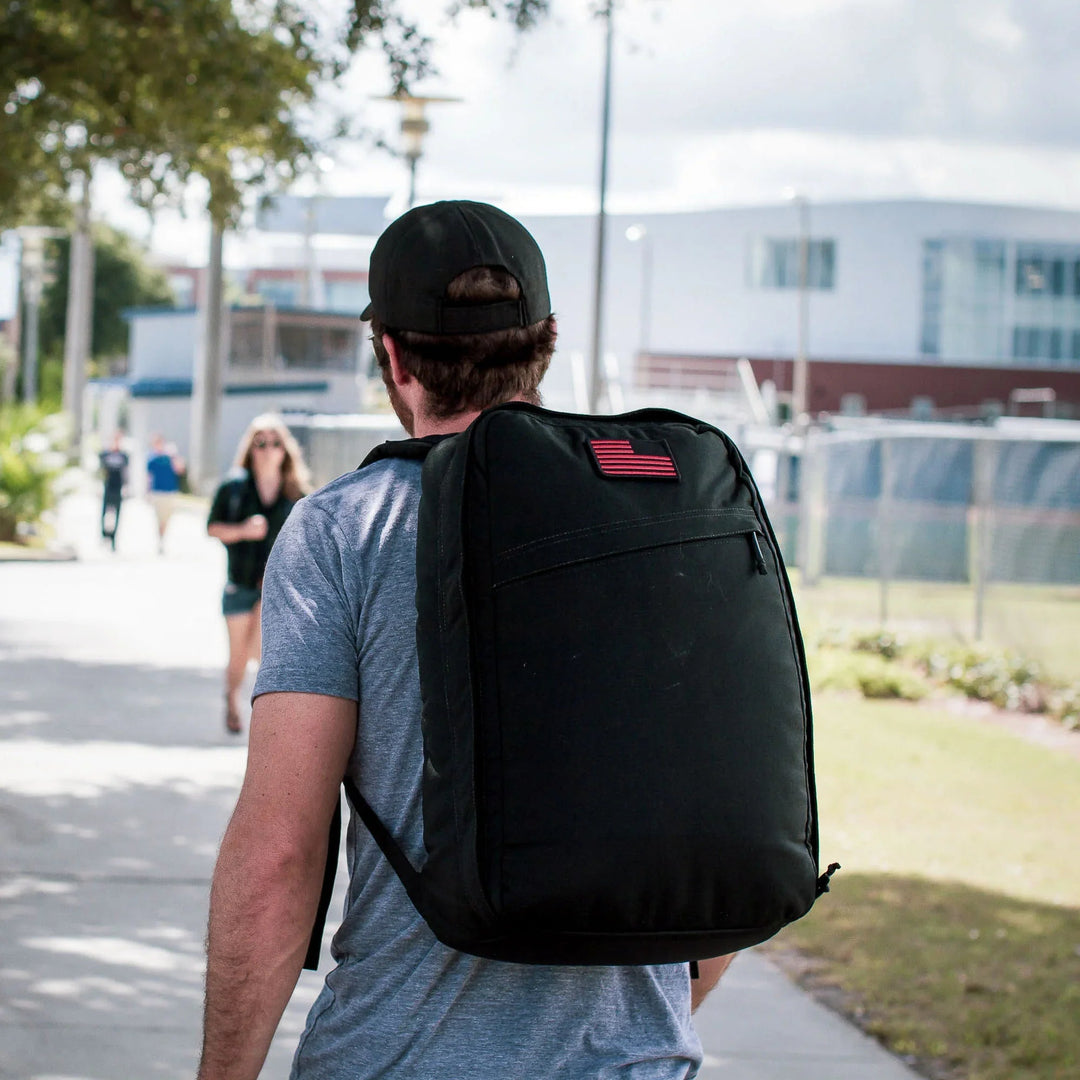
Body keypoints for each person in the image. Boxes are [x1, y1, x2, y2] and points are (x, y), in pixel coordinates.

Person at [197, 201, 733, 1080]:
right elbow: (730, 827)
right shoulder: (668, 512)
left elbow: (281, 852)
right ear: (548, 341)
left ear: (393, 358)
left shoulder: (344, 530)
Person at [206, 414, 311, 735]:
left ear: (285, 450)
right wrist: (242, 531)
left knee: (262, 653)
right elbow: (212, 528)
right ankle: (231, 697)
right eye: (260, 442)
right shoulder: (233, 487)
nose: (267, 449)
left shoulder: (298, 494)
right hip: (239, 584)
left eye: (275, 442)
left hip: (277, 590)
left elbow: (309, 543)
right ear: (250, 448)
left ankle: (263, 716)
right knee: (238, 653)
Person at [145, 434, 184, 554]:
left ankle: (163, 536)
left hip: (170, 491)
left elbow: (180, 469)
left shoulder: (169, 457)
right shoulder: (152, 458)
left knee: (166, 518)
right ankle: (160, 540)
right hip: (157, 492)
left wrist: (174, 455)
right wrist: (147, 492)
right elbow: (148, 477)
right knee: (158, 518)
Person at [98, 430, 129, 551]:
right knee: (105, 513)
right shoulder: (105, 454)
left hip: (118, 487)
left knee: (117, 513)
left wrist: (126, 487)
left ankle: (113, 538)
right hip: (107, 486)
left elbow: (126, 472)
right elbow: (100, 471)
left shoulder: (123, 456)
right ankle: (104, 534)